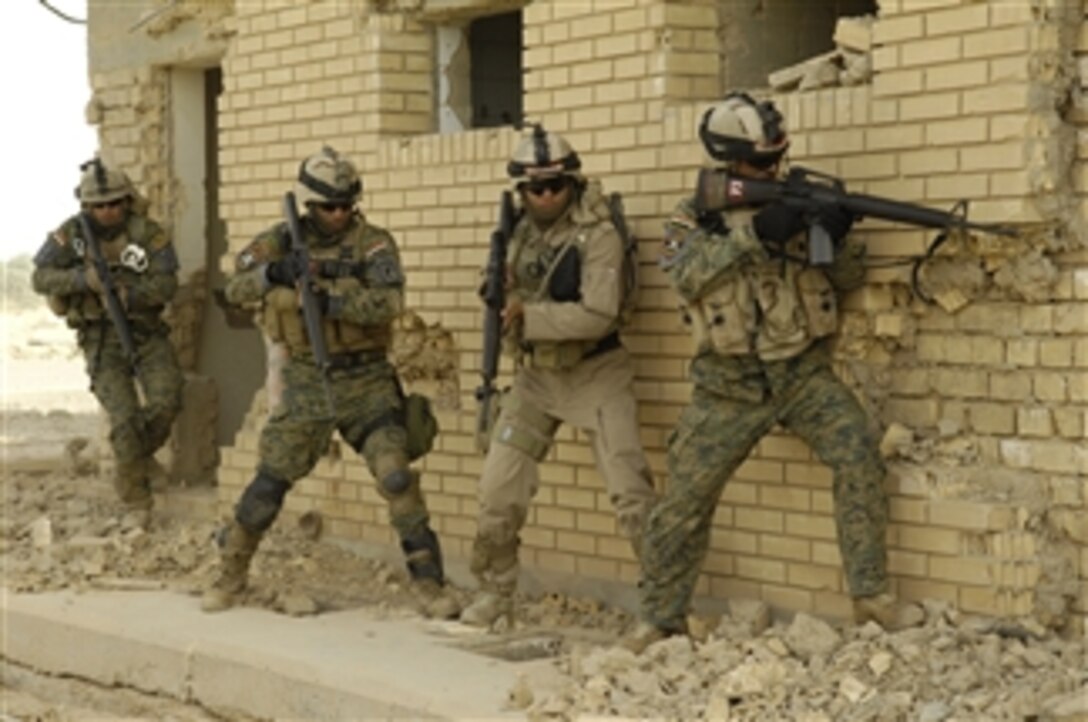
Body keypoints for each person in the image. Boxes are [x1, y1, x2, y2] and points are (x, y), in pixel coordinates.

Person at [625, 92, 922, 652]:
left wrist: (833, 234)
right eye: (762, 163)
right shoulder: (695, 216)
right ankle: (658, 618)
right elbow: (685, 274)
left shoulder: (793, 202)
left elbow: (846, 278)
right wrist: (756, 234)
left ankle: (872, 597)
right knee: (684, 501)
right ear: (729, 161)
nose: (775, 170)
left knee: (858, 454)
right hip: (728, 387)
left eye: (779, 158)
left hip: (802, 374)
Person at [202, 147, 458, 618]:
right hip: (306, 380)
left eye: (345, 205)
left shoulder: (373, 244)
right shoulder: (280, 241)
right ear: (309, 205)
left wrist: (330, 303)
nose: (338, 214)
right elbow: (234, 289)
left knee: (396, 476)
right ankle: (230, 575)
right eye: (328, 206)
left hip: (367, 379)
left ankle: (429, 585)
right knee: (270, 482)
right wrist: (272, 275)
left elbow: (388, 303)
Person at [461, 125, 658, 628]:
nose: (545, 197)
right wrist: (496, 286)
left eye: (555, 187)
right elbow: (501, 287)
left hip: (597, 374)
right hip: (536, 380)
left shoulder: (600, 234)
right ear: (521, 191)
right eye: (534, 189)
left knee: (630, 492)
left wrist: (526, 313)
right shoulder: (518, 232)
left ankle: (663, 607)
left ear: (571, 183)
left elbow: (599, 312)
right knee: (498, 490)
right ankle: (495, 594)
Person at [31, 158, 184, 531]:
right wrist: (85, 281)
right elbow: (41, 277)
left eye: (115, 203)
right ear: (87, 207)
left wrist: (128, 294)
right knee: (125, 418)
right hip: (100, 338)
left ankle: (134, 458)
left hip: (146, 331)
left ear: (127, 200)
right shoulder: (72, 234)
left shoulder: (148, 234)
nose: (107, 211)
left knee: (168, 401)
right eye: (99, 205)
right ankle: (137, 499)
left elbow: (167, 284)